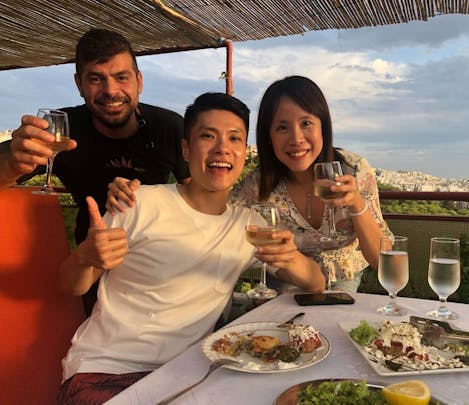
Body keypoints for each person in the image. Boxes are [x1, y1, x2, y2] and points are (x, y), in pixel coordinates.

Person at [56, 92, 325, 403]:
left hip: (189, 373)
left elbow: (316, 281)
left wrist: (289, 256)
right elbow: (70, 285)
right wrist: (85, 258)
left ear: (243, 152)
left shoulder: (249, 225)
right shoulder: (137, 202)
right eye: (208, 136)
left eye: (234, 138)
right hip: (107, 368)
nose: (222, 148)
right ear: (185, 148)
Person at [105, 76, 390, 293]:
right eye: (281, 127)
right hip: (288, 281)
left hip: (344, 280)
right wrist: (135, 195)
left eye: (306, 123)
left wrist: (356, 204)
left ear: (323, 126)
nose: (296, 139)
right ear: (267, 137)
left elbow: (385, 262)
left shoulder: (352, 169)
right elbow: (208, 203)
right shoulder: (258, 186)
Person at [0, 28, 188, 315]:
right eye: (96, 79)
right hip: (89, 267)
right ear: (79, 84)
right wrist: (13, 164)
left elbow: (199, 194)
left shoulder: (169, 127)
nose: (111, 91)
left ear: (138, 80)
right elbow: (8, 167)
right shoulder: (59, 128)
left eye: (121, 77)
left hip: (156, 269)